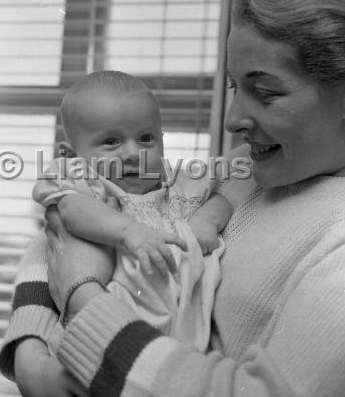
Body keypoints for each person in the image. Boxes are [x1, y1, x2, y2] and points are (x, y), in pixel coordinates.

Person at [0, 0, 345, 397]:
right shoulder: (255, 174)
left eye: (265, 91)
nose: (233, 119)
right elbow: (66, 231)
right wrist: (30, 348)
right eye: (234, 86)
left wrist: (82, 302)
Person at [31, 70, 252, 352]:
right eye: (112, 141)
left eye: (146, 138)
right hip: (105, 326)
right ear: (72, 156)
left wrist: (206, 220)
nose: (134, 152)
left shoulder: (178, 183)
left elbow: (221, 199)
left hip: (185, 329)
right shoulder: (86, 185)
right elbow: (72, 211)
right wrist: (129, 231)